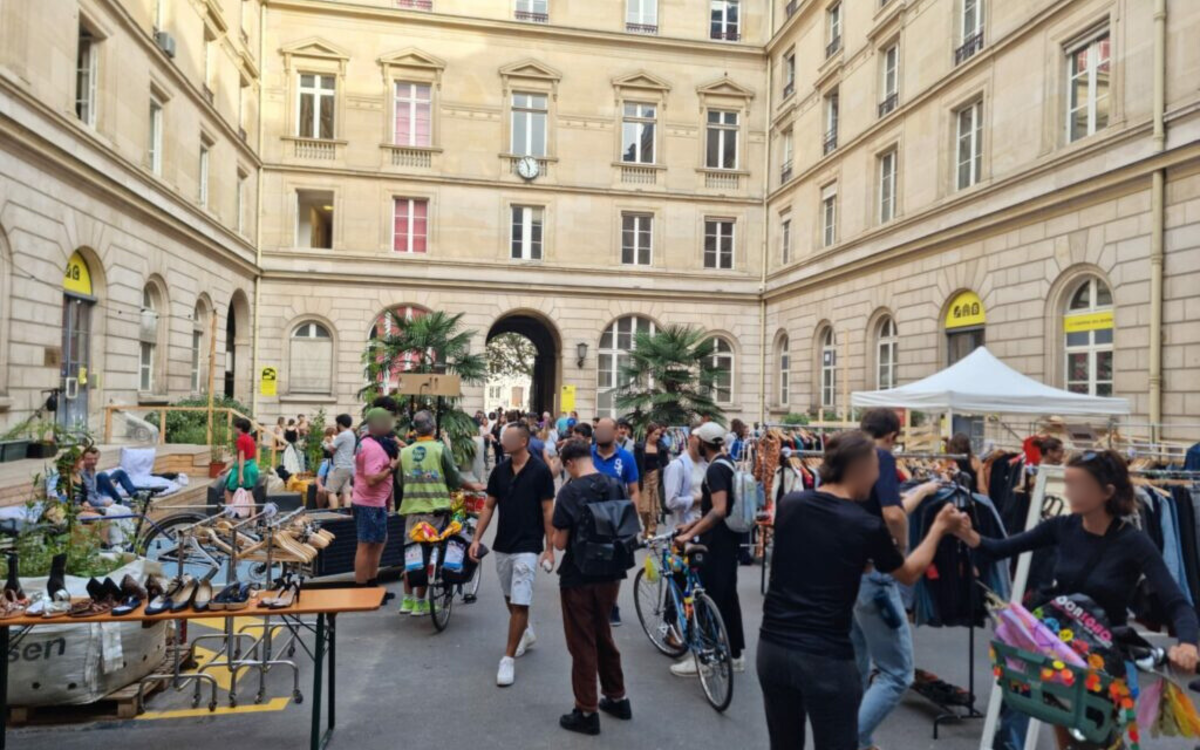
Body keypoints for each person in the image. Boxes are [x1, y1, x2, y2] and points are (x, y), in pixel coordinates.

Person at [954, 449, 1199, 750]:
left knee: (1101, 743)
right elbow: (999, 549)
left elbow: (1177, 603)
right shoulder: (1063, 527)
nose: (1069, 491)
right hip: (1062, 659)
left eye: (1077, 484)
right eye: (1068, 483)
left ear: (1107, 492)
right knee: (1070, 742)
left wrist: (1188, 644)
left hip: (1104, 667)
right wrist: (967, 534)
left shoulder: (1133, 542)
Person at [758, 430, 966, 750]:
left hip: (773, 648)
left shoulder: (791, 504)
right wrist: (939, 528)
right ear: (858, 469)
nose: (877, 479)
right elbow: (908, 574)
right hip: (824, 657)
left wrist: (855, 561)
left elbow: (809, 552)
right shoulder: (864, 524)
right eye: (874, 470)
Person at [850, 408, 942, 750]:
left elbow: (893, 508)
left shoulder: (848, 457)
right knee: (897, 673)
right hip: (876, 572)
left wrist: (924, 491)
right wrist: (900, 549)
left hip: (850, 570)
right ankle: (852, 739)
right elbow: (892, 513)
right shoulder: (882, 457)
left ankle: (858, 740)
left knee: (858, 664)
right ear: (892, 435)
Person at [551, 439, 631, 735]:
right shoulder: (615, 484)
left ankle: (586, 710)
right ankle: (617, 697)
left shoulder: (570, 491)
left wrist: (553, 534)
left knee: (582, 642)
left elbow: (560, 542)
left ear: (570, 463)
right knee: (603, 634)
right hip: (611, 573)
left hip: (579, 575)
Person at [471, 422, 556, 686]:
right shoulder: (499, 471)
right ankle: (525, 632)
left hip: (528, 545)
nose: (503, 441)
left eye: (508, 437)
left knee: (520, 601)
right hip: (503, 543)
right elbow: (488, 506)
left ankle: (507, 659)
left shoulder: (540, 471)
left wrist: (549, 548)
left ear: (523, 442)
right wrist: (476, 538)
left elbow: (548, 510)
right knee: (510, 597)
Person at [671, 421, 745, 676]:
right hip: (728, 540)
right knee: (727, 597)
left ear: (703, 443)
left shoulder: (715, 470)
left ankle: (704, 657)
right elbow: (714, 509)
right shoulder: (728, 463)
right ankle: (735, 654)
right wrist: (692, 524)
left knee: (706, 596)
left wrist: (689, 534)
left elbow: (719, 509)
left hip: (715, 543)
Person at [397, 410, 484, 616]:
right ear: (433, 428)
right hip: (435, 511)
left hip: (411, 510)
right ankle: (420, 603)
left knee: (412, 554)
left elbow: (401, 480)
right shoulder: (439, 449)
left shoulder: (405, 452)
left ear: (415, 429)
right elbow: (454, 478)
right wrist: (473, 486)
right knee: (428, 555)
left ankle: (407, 602)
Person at [591, 418, 639, 626]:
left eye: (604, 429)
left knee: (615, 566)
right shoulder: (587, 454)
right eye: (597, 429)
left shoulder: (626, 458)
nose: (599, 432)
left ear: (615, 432)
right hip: (590, 517)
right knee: (591, 562)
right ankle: (593, 603)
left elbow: (634, 490)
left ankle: (611, 605)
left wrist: (632, 517)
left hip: (616, 519)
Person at [352, 408, 398, 589]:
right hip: (369, 503)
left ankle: (371, 583)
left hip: (370, 501)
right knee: (366, 544)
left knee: (377, 543)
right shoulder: (373, 448)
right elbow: (371, 479)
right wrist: (392, 467)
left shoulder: (366, 441)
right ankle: (362, 586)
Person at [75, 446, 137, 547]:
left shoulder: (92, 469)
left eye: (95, 459)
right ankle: (116, 543)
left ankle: (128, 541)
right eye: (89, 459)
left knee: (126, 510)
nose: (93, 461)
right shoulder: (81, 473)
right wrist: (102, 502)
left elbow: (94, 492)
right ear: (83, 459)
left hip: (97, 500)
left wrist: (105, 500)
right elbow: (86, 496)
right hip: (90, 505)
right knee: (113, 513)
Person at [662, 426, 705, 530]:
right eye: (699, 438)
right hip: (683, 527)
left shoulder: (706, 464)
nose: (702, 443)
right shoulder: (677, 466)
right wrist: (698, 499)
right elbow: (671, 502)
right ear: (690, 438)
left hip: (702, 526)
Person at [634, 423, 667, 539]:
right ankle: (646, 527)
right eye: (655, 434)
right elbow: (636, 464)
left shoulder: (662, 447)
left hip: (656, 478)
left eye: (659, 434)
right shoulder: (639, 447)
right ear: (649, 433)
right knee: (644, 508)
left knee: (654, 507)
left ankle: (652, 531)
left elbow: (665, 463)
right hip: (643, 478)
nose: (658, 437)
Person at [320, 414, 355, 509]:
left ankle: (334, 512)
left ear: (340, 424)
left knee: (330, 491)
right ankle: (347, 512)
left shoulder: (343, 435)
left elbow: (331, 448)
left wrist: (324, 443)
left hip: (340, 466)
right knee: (346, 492)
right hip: (348, 466)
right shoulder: (351, 434)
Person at [224, 417, 260, 503]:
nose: (234, 429)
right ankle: (253, 512)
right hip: (252, 467)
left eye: (235, 427)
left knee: (228, 492)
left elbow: (241, 457)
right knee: (248, 493)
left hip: (244, 469)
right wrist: (226, 469)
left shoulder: (240, 439)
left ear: (240, 428)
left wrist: (240, 475)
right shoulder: (250, 438)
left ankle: (229, 511)